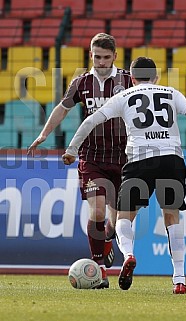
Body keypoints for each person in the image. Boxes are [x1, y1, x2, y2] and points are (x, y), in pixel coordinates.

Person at [62, 57, 186, 294]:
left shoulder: (124, 96)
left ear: (132, 79)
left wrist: (72, 149)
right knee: (172, 216)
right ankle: (179, 279)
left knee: (124, 216)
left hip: (139, 161)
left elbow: (91, 121)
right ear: (156, 77)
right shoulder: (170, 92)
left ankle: (128, 254)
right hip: (171, 159)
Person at [27, 33, 133, 289]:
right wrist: (44, 134)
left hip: (123, 157)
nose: (101, 62)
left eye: (106, 57)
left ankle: (107, 244)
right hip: (92, 156)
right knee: (96, 211)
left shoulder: (128, 81)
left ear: (115, 57)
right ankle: (99, 269)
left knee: (116, 223)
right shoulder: (81, 83)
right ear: (90, 55)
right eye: (97, 57)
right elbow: (63, 107)